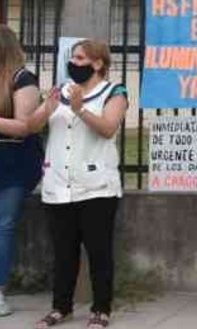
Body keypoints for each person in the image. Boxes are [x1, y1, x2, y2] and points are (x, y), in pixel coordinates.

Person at [30, 40, 127, 329]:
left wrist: (80, 109)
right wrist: (49, 104)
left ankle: (101, 309)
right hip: (58, 185)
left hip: (97, 187)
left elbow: (108, 128)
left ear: (97, 64)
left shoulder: (115, 91)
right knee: (63, 252)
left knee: (98, 252)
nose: (74, 63)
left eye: (80, 58)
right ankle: (61, 307)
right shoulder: (62, 91)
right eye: (72, 58)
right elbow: (32, 126)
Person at [0, 24, 43, 318]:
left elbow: (24, 127)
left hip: (11, 165)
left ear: (1, 45)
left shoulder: (22, 78)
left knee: (1, 228)